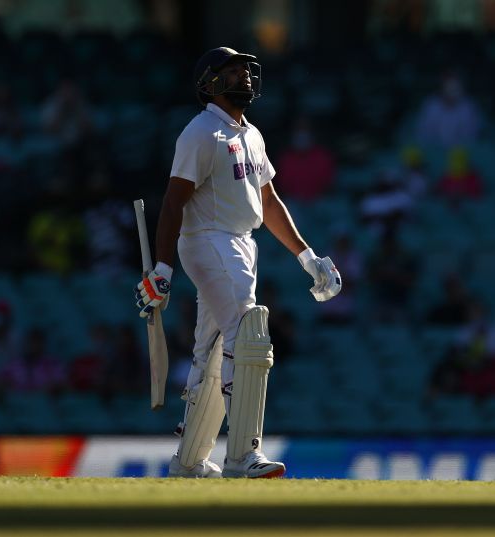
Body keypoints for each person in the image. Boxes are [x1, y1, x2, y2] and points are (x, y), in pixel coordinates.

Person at [134, 47, 342, 479]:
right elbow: (173, 203)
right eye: (232, 71)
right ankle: (243, 455)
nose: (244, 76)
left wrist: (307, 256)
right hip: (208, 239)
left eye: (246, 70)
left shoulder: (252, 135)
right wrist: (163, 269)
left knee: (212, 348)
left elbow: (267, 200)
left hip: (241, 242)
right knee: (248, 333)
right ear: (209, 84)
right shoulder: (200, 131)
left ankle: (189, 461)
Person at [274, 116, 336, 202]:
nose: (302, 134)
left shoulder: (323, 156)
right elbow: (283, 184)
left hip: (320, 201)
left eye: (305, 130)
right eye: (299, 130)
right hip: (294, 202)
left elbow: (329, 183)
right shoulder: (285, 158)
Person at [415, 72, 481, 147]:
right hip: (433, 150)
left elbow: (471, 136)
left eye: (456, 87)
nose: (452, 90)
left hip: (461, 151)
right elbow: (423, 134)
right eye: (448, 86)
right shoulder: (431, 105)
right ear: (442, 87)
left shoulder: (468, 107)